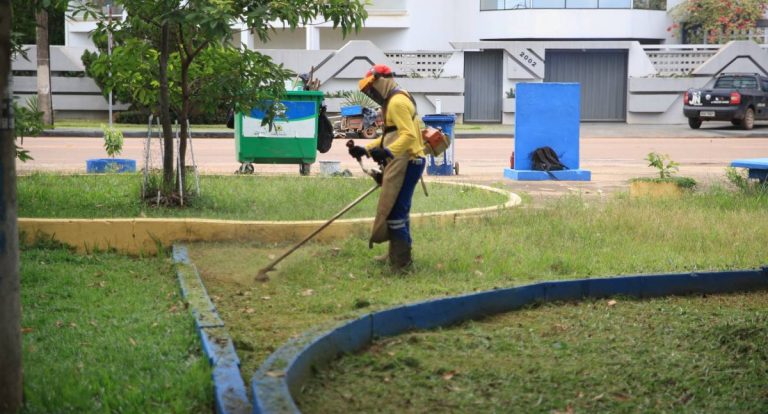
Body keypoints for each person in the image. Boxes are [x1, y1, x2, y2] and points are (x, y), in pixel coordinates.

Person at [348, 64, 426, 273]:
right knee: (398, 209)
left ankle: (402, 263)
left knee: (396, 212)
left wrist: (388, 152)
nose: (371, 92)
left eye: (372, 87)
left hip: (410, 162)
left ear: (381, 81)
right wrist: (366, 149)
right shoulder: (396, 97)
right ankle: (396, 253)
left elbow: (408, 135)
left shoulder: (397, 102)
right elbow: (390, 135)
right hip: (407, 159)